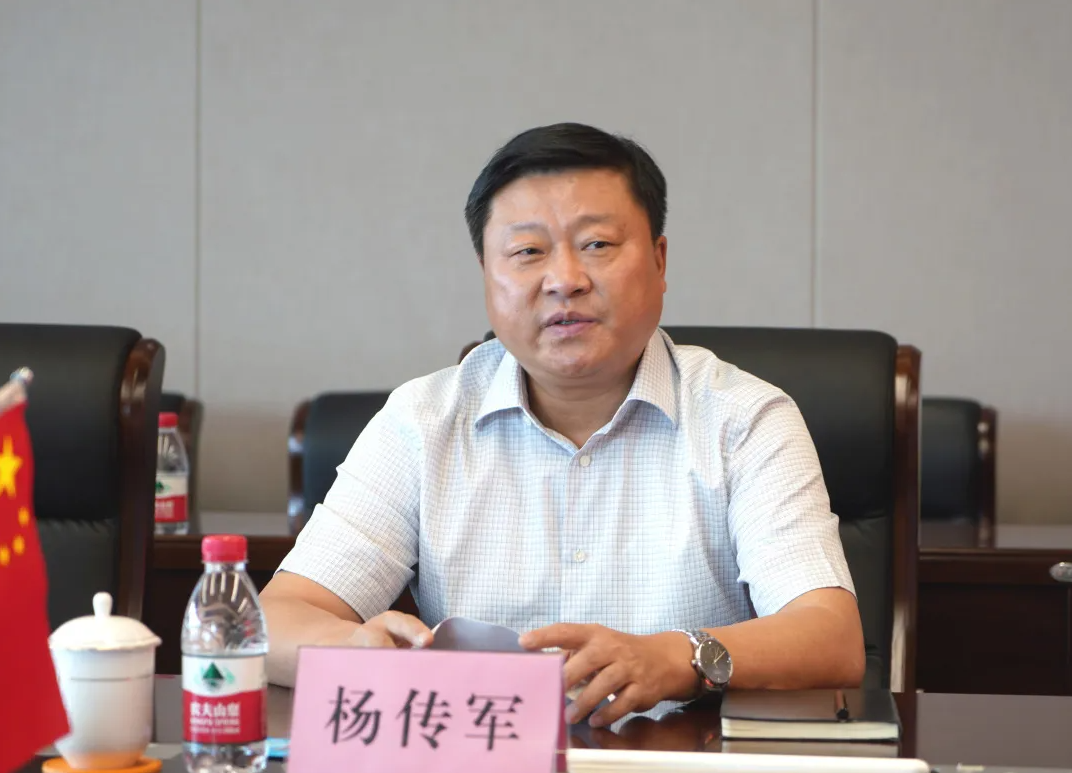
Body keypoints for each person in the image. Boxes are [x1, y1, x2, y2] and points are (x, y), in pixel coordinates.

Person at [261, 122, 865, 728]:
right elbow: (275, 620)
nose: (565, 279)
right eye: (528, 252)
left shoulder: (745, 420)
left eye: (597, 244)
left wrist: (676, 657)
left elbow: (830, 637)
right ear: (486, 274)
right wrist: (352, 650)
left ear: (658, 261)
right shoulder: (422, 423)